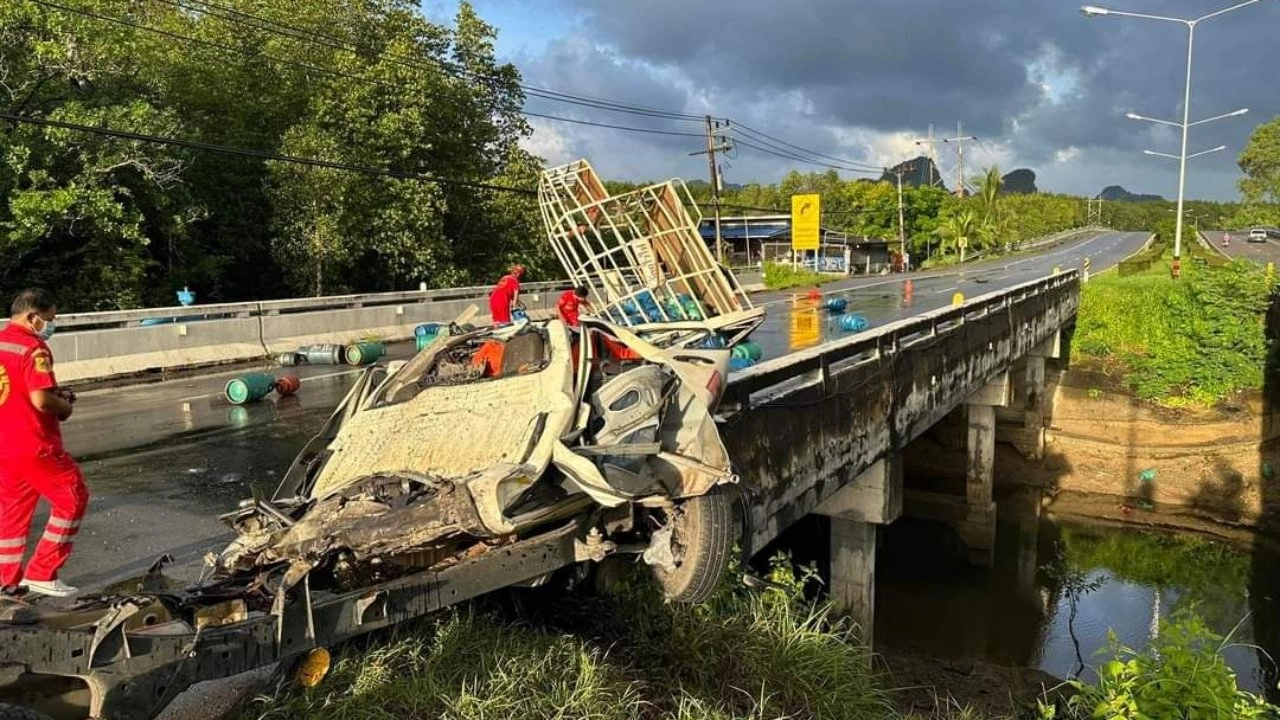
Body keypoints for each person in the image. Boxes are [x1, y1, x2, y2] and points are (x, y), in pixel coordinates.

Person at [0, 289, 86, 598]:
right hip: (35, 444)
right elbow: (39, 399)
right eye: (48, 320)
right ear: (31, 317)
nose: (50, 326)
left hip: (5, 447)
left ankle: (6, 580)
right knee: (72, 498)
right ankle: (42, 573)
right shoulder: (33, 348)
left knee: (12, 514)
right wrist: (64, 406)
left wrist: (54, 392)